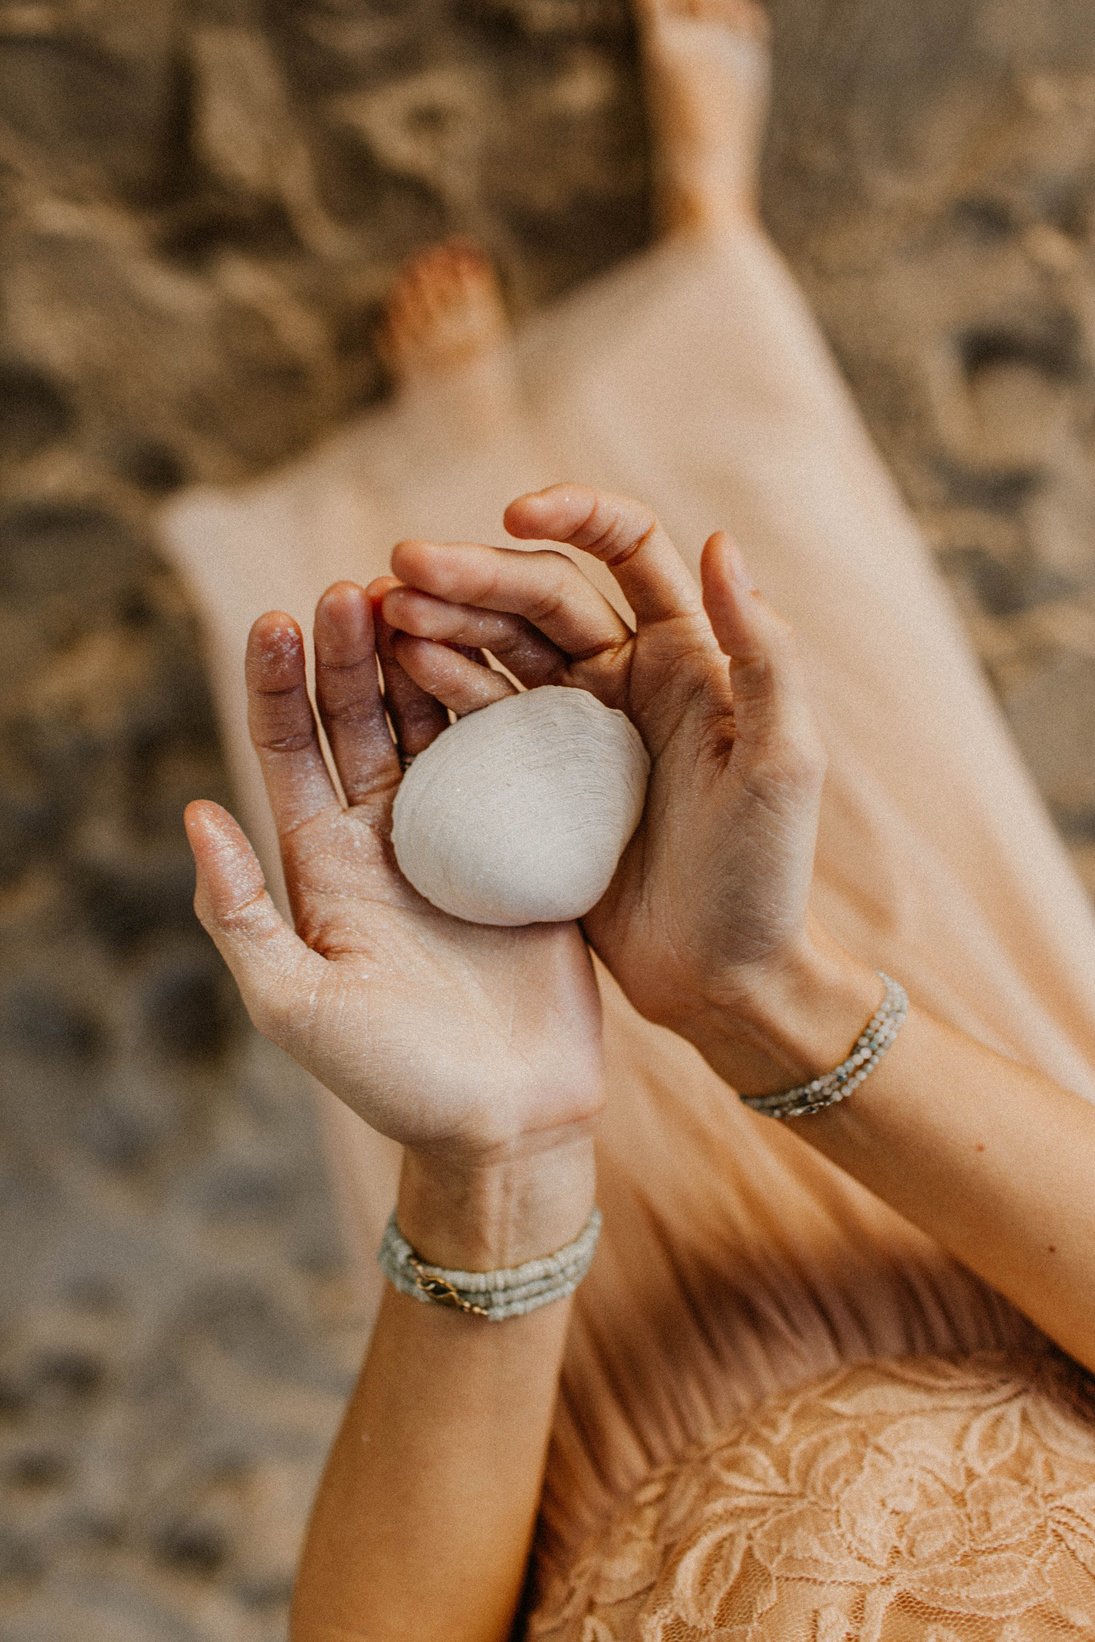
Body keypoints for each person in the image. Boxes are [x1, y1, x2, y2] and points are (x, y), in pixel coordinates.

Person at [166, 1, 1095, 1635]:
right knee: (817, 714)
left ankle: (468, 436)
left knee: (436, 787)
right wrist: (764, 995)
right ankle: (703, 254)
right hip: (1005, 1239)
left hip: (572, 1420)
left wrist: (503, 1158)